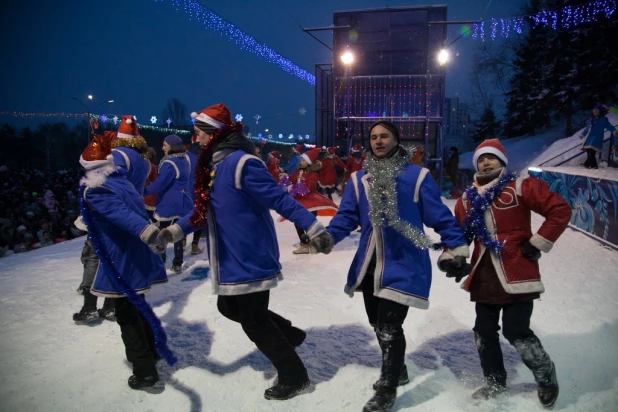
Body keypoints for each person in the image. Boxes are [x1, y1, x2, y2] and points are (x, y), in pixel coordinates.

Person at [157, 103, 333, 401]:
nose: (195, 139)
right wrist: (173, 232)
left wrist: (314, 228)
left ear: (214, 134)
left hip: (249, 254)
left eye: (199, 133)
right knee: (228, 308)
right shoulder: (212, 167)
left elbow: (280, 199)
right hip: (229, 258)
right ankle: (290, 336)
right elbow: (201, 212)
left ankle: (295, 376)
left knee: (253, 320)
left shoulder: (242, 164)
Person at [324, 120, 470, 412]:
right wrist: (327, 236)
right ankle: (398, 368)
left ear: (396, 140)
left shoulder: (417, 177)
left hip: (404, 263)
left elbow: (440, 216)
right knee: (377, 323)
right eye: (374, 137)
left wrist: (456, 247)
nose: (378, 141)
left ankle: (387, 389)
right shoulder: (358, 179)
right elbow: (346, 218)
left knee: (390, 325)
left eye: (384, 136)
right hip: (369, 264)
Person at [452, 138, 571, 408]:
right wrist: (455, 258)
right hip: (484, 274)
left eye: (491, 157)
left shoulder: (520, 186)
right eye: (481, 158)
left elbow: (560, 209)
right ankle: (494, 380)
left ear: (502, 161)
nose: (485, 162)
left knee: (516, 331)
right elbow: (459, 234)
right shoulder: (467, 198)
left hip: (517, 270)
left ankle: (544, 374)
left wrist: (537, 242)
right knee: (483, 331)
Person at [78, 131, 172, 389]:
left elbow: (121, 215)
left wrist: (149, 232)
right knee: (137, 306)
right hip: (136, 252)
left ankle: (144, 372)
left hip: (122, 256)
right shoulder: (122, 181)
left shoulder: (95, 189)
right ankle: (152, 352)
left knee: (126, 315)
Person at [143, 134, 193, 273]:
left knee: (161, 233)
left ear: (171, 146)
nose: (162, 147)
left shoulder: (169, 163)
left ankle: (160, 264)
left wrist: (143, 190)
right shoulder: (185, 159)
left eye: (164, 145)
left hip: (169, 202)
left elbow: (160, 184)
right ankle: (178, 262)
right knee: (178, 232)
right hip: (183, 200)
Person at [287, 147, 338, 254]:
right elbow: (291, 180)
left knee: (309, 224)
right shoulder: (298, 171)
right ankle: (305, 245)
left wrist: (295, 188)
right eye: (301, 160)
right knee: (297, 223)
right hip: (299, 202)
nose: (301, 161)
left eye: (303, 160)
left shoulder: (313, 174)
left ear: (309, 162)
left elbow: (309, 188)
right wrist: (285, 179)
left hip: (311, 202)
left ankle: (314, 244)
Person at [111, 116, 151, 195]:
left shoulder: (117, 154)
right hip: (138, 203)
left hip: (121, 202)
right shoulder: (144, 157)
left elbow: (113, 183)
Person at [580, 104, 618, 169]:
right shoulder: (590, 120)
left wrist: (614, 131)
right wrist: (582, 134)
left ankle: (589, 164)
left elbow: (609, 126)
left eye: (596, 110)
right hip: (589, 139)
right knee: (589, 151)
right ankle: (592, 165)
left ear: (600, 111)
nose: (594, 111)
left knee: (591, 152)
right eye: (594, 110)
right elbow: (587, 128)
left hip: (596, 139)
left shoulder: (603, 120)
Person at [185, 140, 203, 255]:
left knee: (183, 215)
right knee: (199, 217)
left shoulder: (185, 157)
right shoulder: (204, 158)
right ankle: (195, 244)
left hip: (185, 191)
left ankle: (182, 240)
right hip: (199, 191)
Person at [143, 147, 158, 222]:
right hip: (150, 195)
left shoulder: (145, 164)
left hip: (145, 194)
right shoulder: (153, 166)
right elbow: (154, 180)